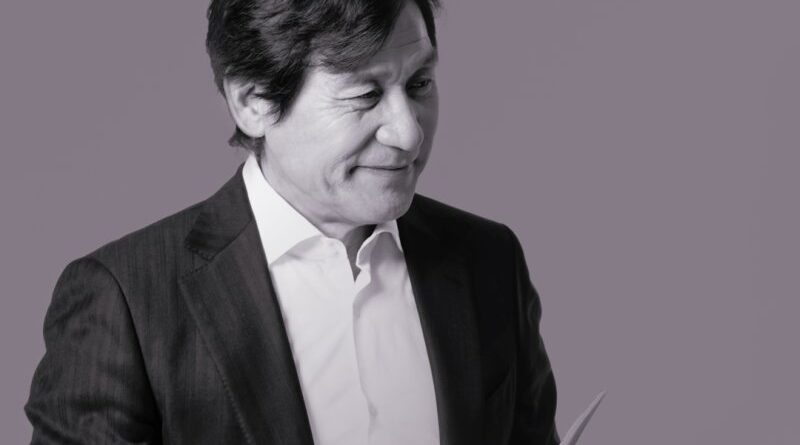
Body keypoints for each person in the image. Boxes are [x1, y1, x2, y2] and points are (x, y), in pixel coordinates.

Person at [25, 0, 559, 444]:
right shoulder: (125, 299)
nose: (409, 133)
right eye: (365, 95)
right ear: (253, 101)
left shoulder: (490, 260)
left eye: (419, 84)